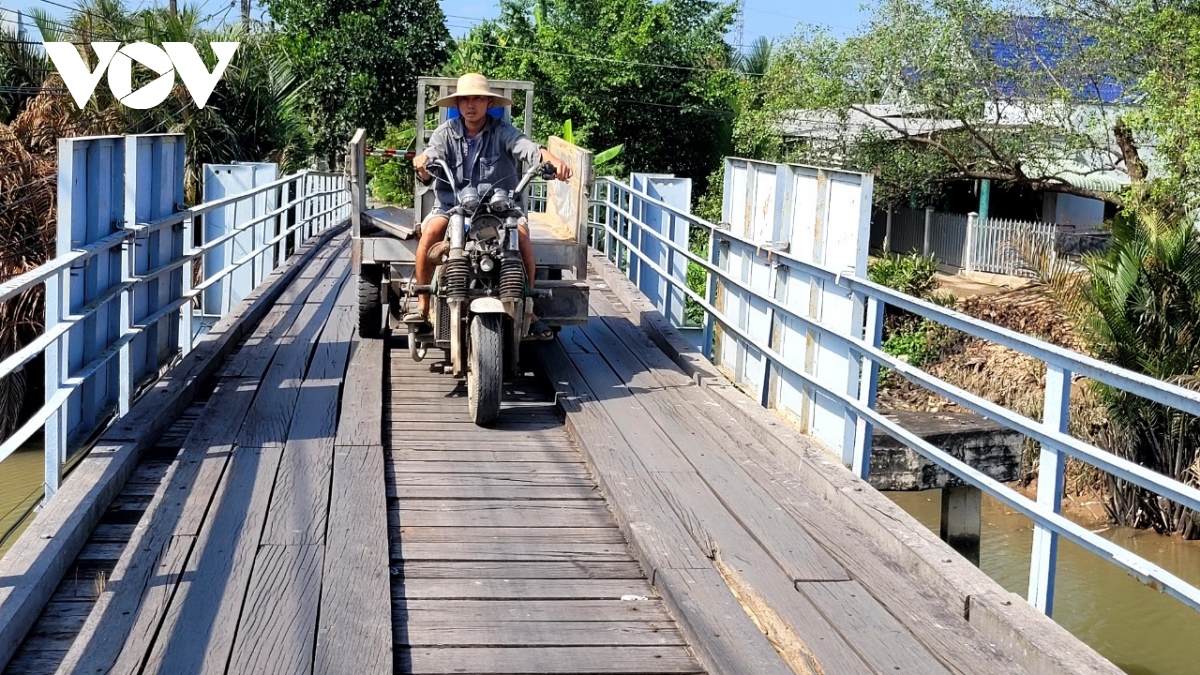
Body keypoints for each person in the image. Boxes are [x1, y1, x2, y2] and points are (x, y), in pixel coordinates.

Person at [409, 73, 572, 339]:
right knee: (429, 234)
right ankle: (423, 303)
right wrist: (424, 164)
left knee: (522, 240)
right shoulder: (444, 134)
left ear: (488, 103)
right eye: (464, 99)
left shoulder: (502, 131)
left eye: (477, 98)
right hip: (453, 208)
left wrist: (551, 160)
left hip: (502, 209)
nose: (470, 104)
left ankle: (528, 307)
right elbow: (431, 159)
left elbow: (527, 149)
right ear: (458, 104)